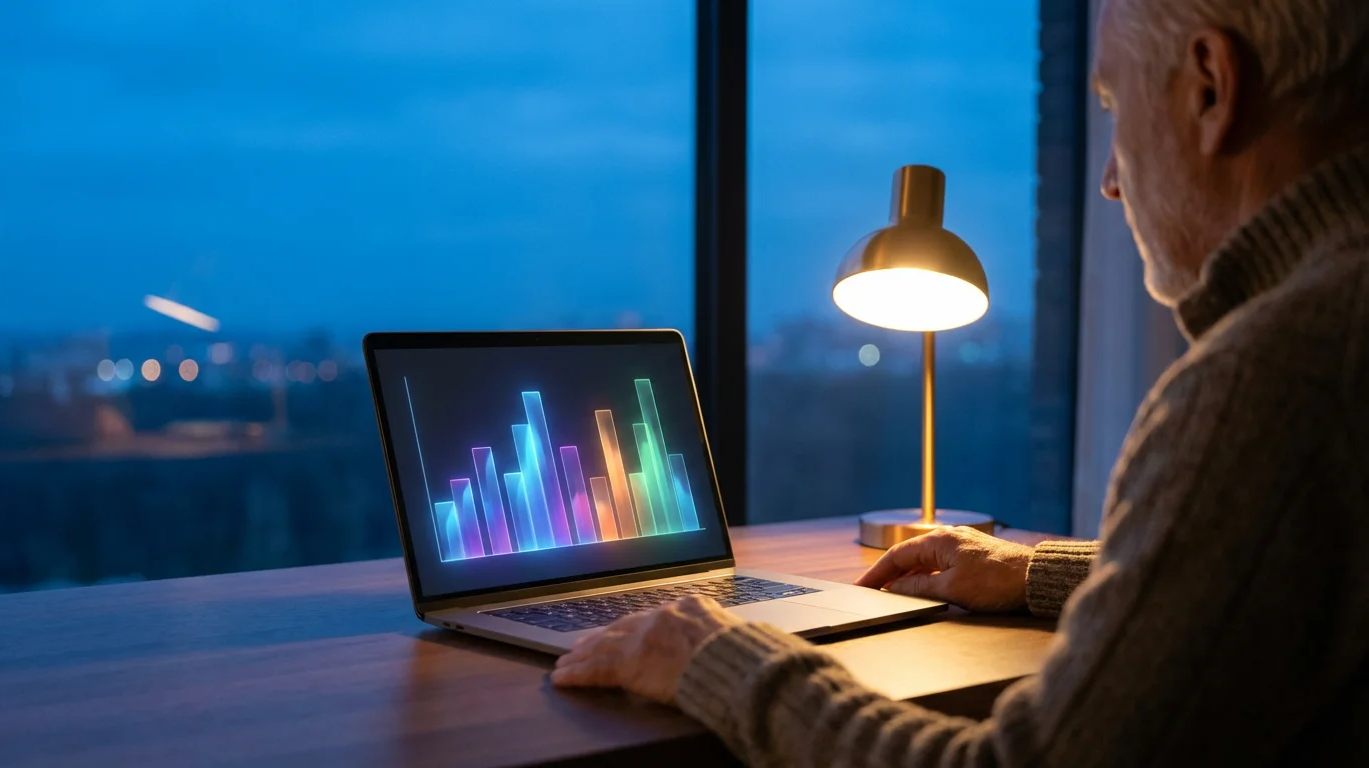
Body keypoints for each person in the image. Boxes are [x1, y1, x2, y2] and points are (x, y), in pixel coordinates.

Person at [551, 0, 1369, 764]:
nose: (1112, 178)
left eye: (1114, 108)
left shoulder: (1272, 379)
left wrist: (723, 660)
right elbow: (1263, 565)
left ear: (1210, 87)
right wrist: (1035, 570)